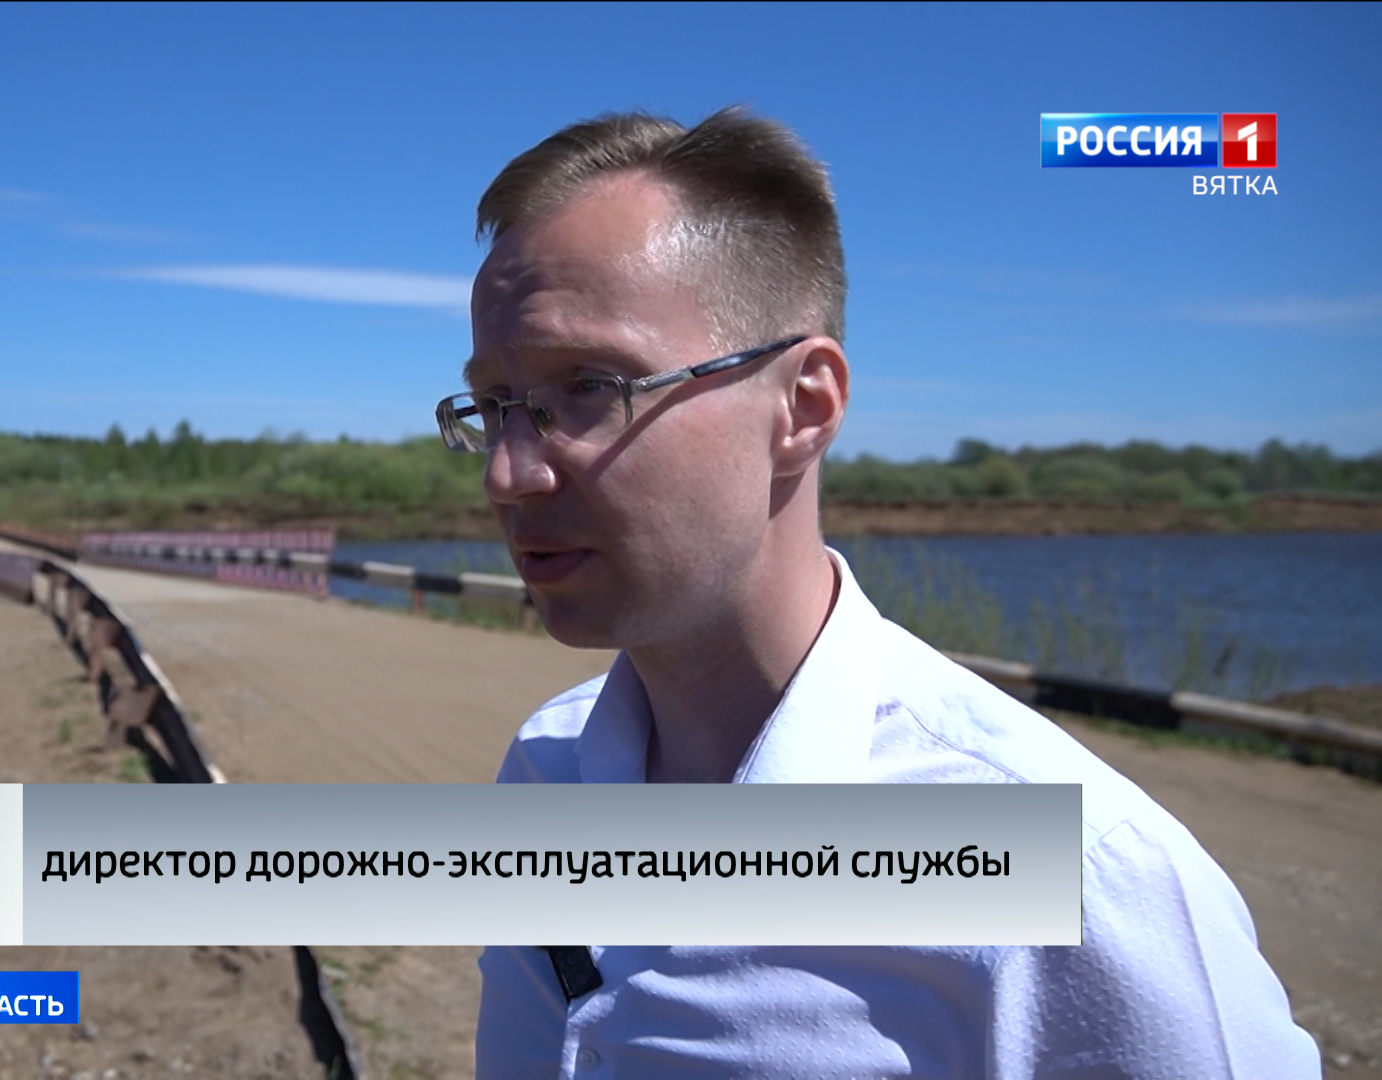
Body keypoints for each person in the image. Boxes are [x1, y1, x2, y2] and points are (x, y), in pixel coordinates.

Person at [437, 108, 1322, 1079]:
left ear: (802, 407)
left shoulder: (1082, 884)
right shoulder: (548, 768)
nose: (507, 474)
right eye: (494, 406)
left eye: (588, 388)